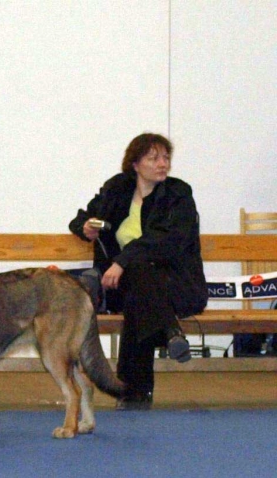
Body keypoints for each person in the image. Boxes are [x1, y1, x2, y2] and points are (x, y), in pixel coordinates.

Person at [68, 133, 208, 410]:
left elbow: (166, 240)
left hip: (176, 285)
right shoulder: (117, 189)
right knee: (139, 284)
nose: (162, 164)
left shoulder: (179, 194)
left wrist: (121, 262)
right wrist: (85, 227)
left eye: (166, 158)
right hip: (122, 287)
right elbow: (81, 217)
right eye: (153, 158)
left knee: (139, 288)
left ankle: (132, 392)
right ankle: (170, 333)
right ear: (135, 163)